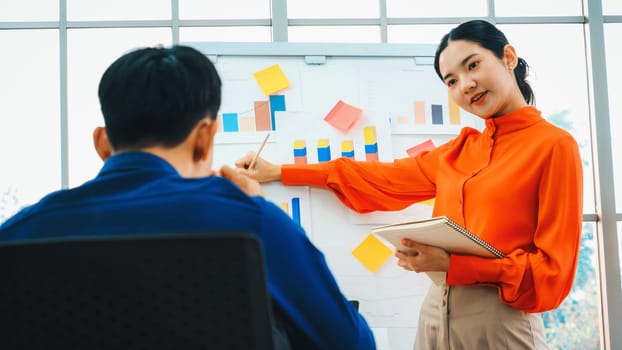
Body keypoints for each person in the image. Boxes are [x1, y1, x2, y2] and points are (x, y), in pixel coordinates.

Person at [0, 45, 376, 350]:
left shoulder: (18, 232)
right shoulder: (250, 222)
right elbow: (350, 344)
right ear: (205, 137)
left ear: (101, 141)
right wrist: (256, 205)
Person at [236, 19, 583, 349]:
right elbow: (376, 178)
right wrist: (279, 172)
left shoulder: (553, 146)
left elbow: (552, 274)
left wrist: (454, 265)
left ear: (508, 57)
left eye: (472, 66)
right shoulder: (458, 153)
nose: (465, 85)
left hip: (501, 324)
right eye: (451, 80)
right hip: (433, 316)